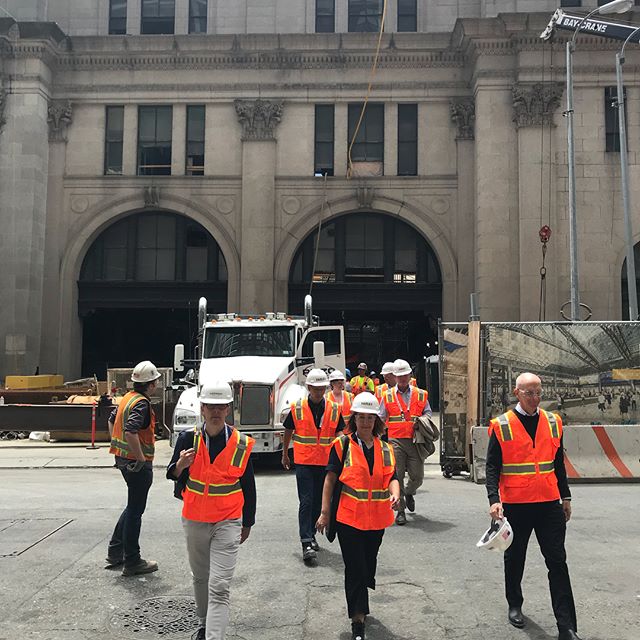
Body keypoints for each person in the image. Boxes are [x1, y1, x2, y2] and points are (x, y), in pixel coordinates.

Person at [485, 372, 581, 640]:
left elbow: (558, 463)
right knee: (515, 558)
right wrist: (494, 500)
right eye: (529, 393)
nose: (535, 398)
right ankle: (515, 604)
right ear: (517, 393)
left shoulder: (553, 422)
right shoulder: (502, 425)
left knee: (557, 562)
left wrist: (566, 497)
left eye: (539, 392)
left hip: (549, 503)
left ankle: (567, 627)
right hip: (516, 504)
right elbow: (492, 466)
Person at [167, 381, 256, 640]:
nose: (216, 412)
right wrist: (181, 465)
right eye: (210, 407)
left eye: (221, 407)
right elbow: (171, 474)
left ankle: (213, 636)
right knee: (201, 578)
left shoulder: (240, 443)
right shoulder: (187, 438)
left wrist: (247, 522)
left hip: (228, 521)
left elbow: (248, 486)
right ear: (202, 409)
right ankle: (205, 624)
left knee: (219, 585)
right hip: (195, 519)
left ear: (228, 409)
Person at [316, 393, 400, 640]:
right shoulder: (341, 445)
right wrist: (324, 513)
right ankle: (358, 620)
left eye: (369, 418)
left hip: (377, 519)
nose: (365, 422)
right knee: (355, 568)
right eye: (360, 418)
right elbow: (330, 480)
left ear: (376, 421)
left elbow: (392, 477)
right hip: (349, 519)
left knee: (367, 564)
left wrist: (395, 495)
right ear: (354, 419)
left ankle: (361, 600)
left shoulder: (385, 448)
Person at [282, 368, 345, 563]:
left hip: (326, 463)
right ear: (308, 387)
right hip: (304, 462)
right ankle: (306, 541)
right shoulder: (297, 407)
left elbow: (339, 434)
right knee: (307, 501)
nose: (318, 392)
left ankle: (311, 535)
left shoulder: (334, 409)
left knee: (319, 502)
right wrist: (285, 454)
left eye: (321, 388)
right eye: (315, 388)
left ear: (326, 388)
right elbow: (288, 430)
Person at [106, 360, 161, 576]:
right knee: (136, 511)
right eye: (155, 381)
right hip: (136, 464)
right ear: (151, 384)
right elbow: (130, 431)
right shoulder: (141, 403)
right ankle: (132, 560)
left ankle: (115, 551)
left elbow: (112, 421)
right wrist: (139, 458)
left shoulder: (128, 398)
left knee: (132, 507)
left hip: (122, 459)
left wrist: (116, 445)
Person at [378, 359, 431, 526]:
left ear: (410, 375)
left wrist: (422, 421)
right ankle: (400, 511)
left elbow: (428, 413)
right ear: (394, 376)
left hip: (415, 441)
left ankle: (409, 492)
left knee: (418, 477)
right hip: (396, 441)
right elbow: (380, 417)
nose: (402, 378)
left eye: (404, 375)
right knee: (397, 475)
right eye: (399, 376)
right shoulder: (387, 396)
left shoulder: (420, 394)